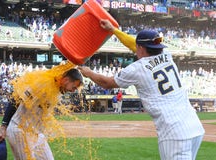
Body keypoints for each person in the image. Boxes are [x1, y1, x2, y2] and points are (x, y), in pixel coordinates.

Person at [78, 19, 205, 160]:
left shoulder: (137, 69)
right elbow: (136, 45)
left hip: (174, 133)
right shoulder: (167, 55)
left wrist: (89, 73)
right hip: (194, 127)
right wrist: (113, 30)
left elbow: (107, 83)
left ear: (141, 48)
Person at [0, 61, 83, 160]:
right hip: (19, 130)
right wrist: (3, 125)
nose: (73, 90)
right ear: (66, 80)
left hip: (36, 134)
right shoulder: (43, 84)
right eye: (74, 87)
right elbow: (16, 98)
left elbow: (61, 68)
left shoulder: (59, 90)